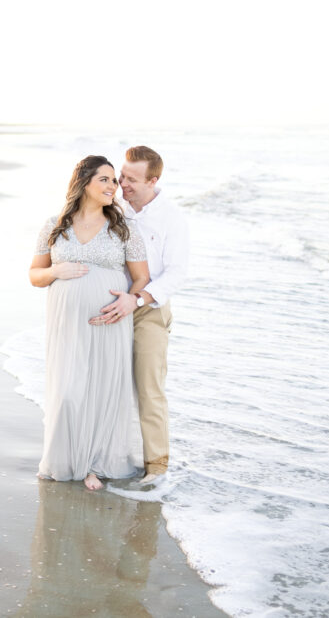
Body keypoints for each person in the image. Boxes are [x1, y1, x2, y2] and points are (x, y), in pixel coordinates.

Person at [29, 155, 150, 491]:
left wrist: (129, 300)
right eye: (105, 179)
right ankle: (66, 459)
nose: (114, 187)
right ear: (84, 182)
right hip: (66, 326)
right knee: (68, 392)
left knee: (101, 391)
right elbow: (34, 275)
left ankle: (93, 465)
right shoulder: (55, 226)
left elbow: (141, 278)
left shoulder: (124, 229)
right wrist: (54, 271)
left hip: (109, 321)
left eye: (115, 181)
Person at [91, 145, 189, 483]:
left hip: (149, 310)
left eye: (131, 180)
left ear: (153, 180)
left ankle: (157, 467)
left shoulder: (171, 218)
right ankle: (102, 457)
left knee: (149, 387)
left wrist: (138, 298)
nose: (123, 184)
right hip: (108, 307)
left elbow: (176, 274)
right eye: (121, 177)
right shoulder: (112, 205)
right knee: (105, 386)